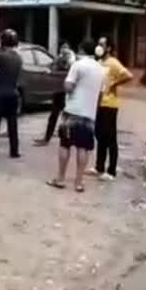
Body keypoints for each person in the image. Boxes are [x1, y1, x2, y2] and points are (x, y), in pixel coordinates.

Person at [47, 40, 104, 193]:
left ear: (81, 49)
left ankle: (60, 179)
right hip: (89, 113)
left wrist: (65, 84)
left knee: (65, 144)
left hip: (72, 111)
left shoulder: (78, 65)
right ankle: (79, 183)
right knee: (83, 147)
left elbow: (68, 86)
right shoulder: (101, 69)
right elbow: (100, 94)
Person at [93, 37, 133, 181]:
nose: (99, 46)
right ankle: (99, 167)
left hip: (110, 104)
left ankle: (111, 171)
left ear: (108, 48)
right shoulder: (100, 62)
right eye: (98, 44)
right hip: (99, 104)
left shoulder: (113, 62)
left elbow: (128, 75)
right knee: (99, 135)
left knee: (110, 138)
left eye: (102, 44)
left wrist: (115, 84)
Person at [35, 41, 76, 146]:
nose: (64, 50)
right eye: (63, 48)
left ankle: (68, 138)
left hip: (67, 92)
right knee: (54, 115)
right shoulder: (58, 59)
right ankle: (47, 138)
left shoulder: (72, 61)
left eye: (66, 48)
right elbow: (51, 67)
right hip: (58, 91)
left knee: (67, 117)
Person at [0, 29, 22, 158]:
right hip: (13, 93)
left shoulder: (0, 55)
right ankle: (14, 150)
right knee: (12, 123)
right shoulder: (18, 57)